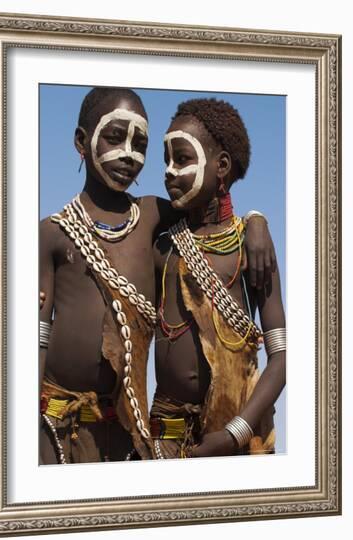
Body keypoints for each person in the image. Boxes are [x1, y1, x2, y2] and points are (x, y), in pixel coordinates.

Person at [39, 87, 276, 464]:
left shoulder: (150, 217)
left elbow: (211, 208)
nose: (129, 155)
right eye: (115, 137)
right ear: (82, 142)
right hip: (55, 427)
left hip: (126, 431)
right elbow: (33, 339)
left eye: (140, 144)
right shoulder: (54, 232)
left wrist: (257, 221)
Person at [150, 98, 285, 459]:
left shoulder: (250, 248)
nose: (168, 170)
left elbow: (282, 358)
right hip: (165, 436)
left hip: (237, 436)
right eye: (166, 160)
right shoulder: (162, 246)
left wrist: (233, 434)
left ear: (221, 165)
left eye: (182, 159)